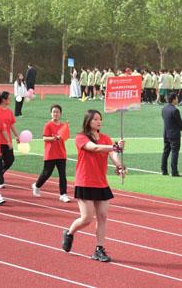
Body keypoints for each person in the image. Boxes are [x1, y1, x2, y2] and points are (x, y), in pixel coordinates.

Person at [62, 109, 126, 262]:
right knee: (87, 218)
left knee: (102, 216)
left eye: (100, 119)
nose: (99, 122)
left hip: (101, 182)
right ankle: (69, 233)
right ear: (88, 121)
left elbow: (113, 154)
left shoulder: (105, 138)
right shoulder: (80, 137)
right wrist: (115, 146)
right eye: (95, 119)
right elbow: (95, 148)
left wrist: (119, 166)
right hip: (85, 181)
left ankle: (99, 249)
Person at [32, 105, 71, 202]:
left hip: (61, 153)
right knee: (46, 173)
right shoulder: (48, 125)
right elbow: (45, 138)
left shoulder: (63, 126)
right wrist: (54, 138)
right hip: (50, 154)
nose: (55, 114)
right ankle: (37, 185)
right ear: (51, 113)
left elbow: (65, 137)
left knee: (62, 175)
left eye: (57, 112)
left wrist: (63, 135)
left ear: (60, 114)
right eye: (54, 112)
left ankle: (63, 194)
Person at [0, 91, 19, 188]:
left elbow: (12, 124)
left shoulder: (9, 111)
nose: (10, 100)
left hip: (8, 140)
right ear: (3, 100)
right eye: (9, 98)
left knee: (10, 160)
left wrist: (16, 135)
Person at [161, 91, 182, 176]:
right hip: (174, 135)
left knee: (165, 152)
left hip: (166, 134)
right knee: (174, 153)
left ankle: (164, 170)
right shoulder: (175, 110)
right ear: (173, 99)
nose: (177, 99)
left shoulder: (164, 108)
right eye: (176, 98)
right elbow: (180, 125)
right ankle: (174, 171)